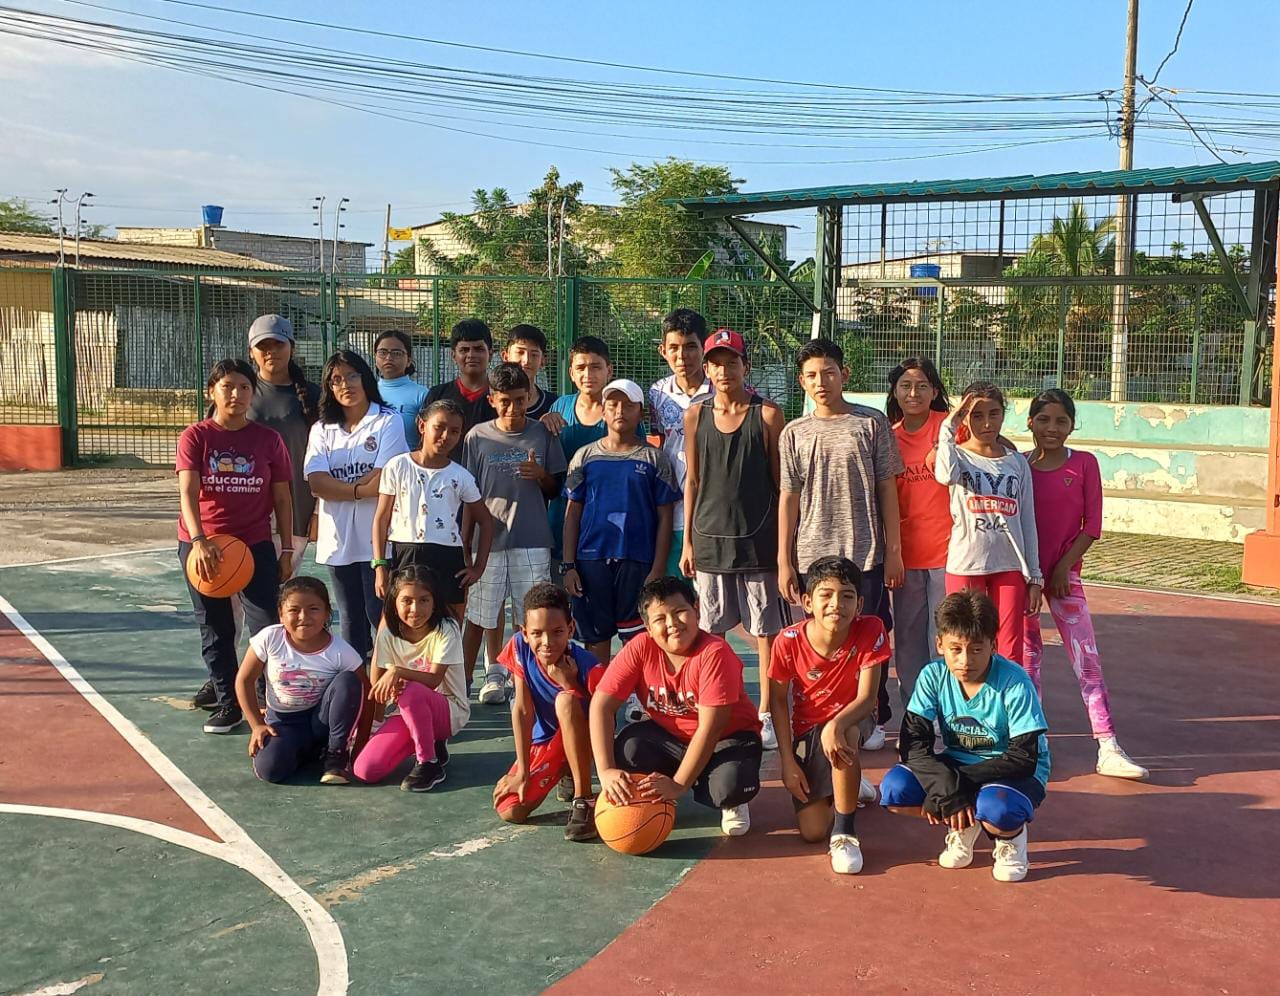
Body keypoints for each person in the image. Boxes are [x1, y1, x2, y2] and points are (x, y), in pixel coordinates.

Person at [778, 338, 904, 750]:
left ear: (844, 374)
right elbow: (789, 497)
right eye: (812, 375)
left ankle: (873, 713)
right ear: (801, 382)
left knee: (870, 635)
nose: (821, 382)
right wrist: (784, 560)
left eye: (829, 373)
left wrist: (893, 552)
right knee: (823, 639)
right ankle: (822, 714)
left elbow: (887, 488)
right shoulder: (794, 433)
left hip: (865, 553)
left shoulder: (871, 423)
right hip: (812, 556)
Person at [880, 591, 1051, 883]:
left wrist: (953, 788)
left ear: (993, 645)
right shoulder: (933, 676)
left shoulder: (1015, 681)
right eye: (955, 649)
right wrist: (946, 788)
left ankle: (1011, 839)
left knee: (997, 808)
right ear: (940, 644)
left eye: (976, 649)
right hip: (959, 761)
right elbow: (913, 745)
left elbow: (1023, 758)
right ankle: (963, 823)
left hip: (1013, 770)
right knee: (895, 790)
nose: (965, 660)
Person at [1024, 388, 1147, 780]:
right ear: (1030, 423)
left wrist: (1063, 567)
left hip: (1065, 578)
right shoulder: (1018, 466)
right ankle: (1033, 743)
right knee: (1027, 661)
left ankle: (1107, 744)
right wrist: (1031, 574)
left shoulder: (1085, 465)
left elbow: (1091, 525)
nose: (1052, 428)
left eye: (1061, 421)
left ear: (1072, 426)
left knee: (1086, 660)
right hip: (1025, 580)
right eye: (1044, 419)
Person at [590, 576, 764, 837]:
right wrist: (605, 771)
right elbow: (601, 707)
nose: (672, 623)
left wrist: (679, 784)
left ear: (696, 610)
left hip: (726, 739)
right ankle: (657, 793)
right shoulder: (640, 648)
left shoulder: (715, 653)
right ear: (648, 627)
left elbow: (710, 728)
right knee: (628, 749)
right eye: (660, 619)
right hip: (673, 738)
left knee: (729, 785)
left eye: (680, 612)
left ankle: (729, 800)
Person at [681, 328, 786, 750]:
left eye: (732, 362)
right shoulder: (695, 416)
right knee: (712, 632)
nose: (724, 370)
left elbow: (780, 484)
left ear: (746, 366)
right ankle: (719, 705)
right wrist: (688, 542)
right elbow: (693, 480)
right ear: (706, 369)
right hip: (709, 540)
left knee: (766, 631)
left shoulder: (768, 416)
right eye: (716, 363)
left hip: (758, 540)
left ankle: (768, 712)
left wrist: (784, 546)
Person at [177, 359, 294, 735]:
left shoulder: (268, 440)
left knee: (266, 624)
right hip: (204, 546)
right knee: (215, 626)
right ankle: (229, 703)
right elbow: (188, 493)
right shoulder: (196, 437)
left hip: (253, 544)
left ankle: (266, 697)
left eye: (244, 387)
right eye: (227, 386)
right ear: (212, 391)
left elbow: (282, 498)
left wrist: (286, 549)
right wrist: (199, 540)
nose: (236, 394)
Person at [768, 556, 889, 875]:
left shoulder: (871, 629)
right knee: (811, 831)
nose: (837, 604)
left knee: (844, 735)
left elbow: (867, 698)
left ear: (859, 604)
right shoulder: (787, 642)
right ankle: (850, 783)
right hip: (808, 728)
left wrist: (836, 723)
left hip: (854, 718)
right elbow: (778, 702)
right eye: (826, 595)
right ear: (807, 602)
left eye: (847, 596)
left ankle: (845, 834)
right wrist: (787, 762)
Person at [462, 362, 568, 702]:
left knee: (532, 617)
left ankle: (531, 682)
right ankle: (470, 684)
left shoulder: (542, 433)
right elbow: (467, 495)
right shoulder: (476, 437)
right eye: (505, 401)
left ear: (529, 396)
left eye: (520, 400)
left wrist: (540, 474)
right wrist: (466, 544)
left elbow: (555, 488)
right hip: (486, 544)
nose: (513, 408)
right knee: (481, 614)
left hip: (532, 540)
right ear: (492, 400)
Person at [562, 379, 681, 662]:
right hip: (591, 561)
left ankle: (636, 691)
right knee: (596, 639)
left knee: (638, 640)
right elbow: (572, 513)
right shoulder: (584, 457)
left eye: (628, 405)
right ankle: (602, 690)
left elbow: (665, 517)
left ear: (641, 413)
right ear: (603, 411)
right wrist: (569, 565)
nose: (620, 411)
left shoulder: (655, 459)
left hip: (638, 561)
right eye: (613, 404)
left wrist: (658, 568)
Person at [304, 350, 409, 662]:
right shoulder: (321, 429)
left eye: (352, 376)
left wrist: (340, 489)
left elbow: (385, 478)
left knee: (381, 612)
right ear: (329, 387)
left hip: (378, 538)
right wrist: (358, 490)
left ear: (365, 378)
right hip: (338, 538)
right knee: (350, 616)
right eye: (336, 380)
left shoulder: (387, 421)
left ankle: (392, 675)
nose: (345, 384)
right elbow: (317, 483)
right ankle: (357, 680)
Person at [934, 382, 1042, 665]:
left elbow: (1027, 520)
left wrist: (1035, 577)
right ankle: (964, 695)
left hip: (1009, 566)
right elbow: (944, 475)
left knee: (1009, 649)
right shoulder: (956, 456)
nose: (986, 423)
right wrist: (949, 425)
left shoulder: (1017, 462)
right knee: (963, 643)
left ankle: (1004, 695)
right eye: (977, 415)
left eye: (994, 414)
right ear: (964, 417)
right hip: (966, 564)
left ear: (1003, 414)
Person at [493, 583, 604, 842]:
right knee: (510, 809)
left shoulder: (589, 665)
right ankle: (565, 770)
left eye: (557, 632)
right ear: (524, 633)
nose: (547, 642)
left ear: (571, 629)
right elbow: (522, 710)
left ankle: (584, 799)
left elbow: (604, 716)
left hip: (585, 739)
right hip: (546, 741)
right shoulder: (519, 647)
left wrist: (569, 684)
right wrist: (523, 771)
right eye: (537, 633)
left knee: (566, 701)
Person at [372, 398, 494, 621]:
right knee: (397, 623)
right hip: (405, 553)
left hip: (447, 556)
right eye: (439, 427)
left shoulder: (461, 476)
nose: (446, 436)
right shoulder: (397, 466)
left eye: (454, 431)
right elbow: (381, 518)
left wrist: (478, 568)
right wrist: (380, 565)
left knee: (450, 624)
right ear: (422, 425)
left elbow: (486, 521)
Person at [236, 576, 364, 785]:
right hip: (283, 723)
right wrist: (257, 725)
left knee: (348, 681)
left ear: (327, 613)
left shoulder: (341, 651)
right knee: (270, 770)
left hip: (321, 721)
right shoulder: (270, 638)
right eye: (294, 610)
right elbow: (244, 680)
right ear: (281, 614)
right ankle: (308, 752)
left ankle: (335, 753)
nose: (304, 617)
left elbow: (365, 695)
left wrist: (361, 744)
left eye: (313, 609)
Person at [354, 566, 469, 791]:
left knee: (412, 690)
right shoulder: (388, 633)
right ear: (394, 603)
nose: (415, 609)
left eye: (424, 600)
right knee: (366, 770)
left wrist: (398, 672)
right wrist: (375, 725)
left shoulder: (447, 628)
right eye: (407, 601)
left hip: (449, 710)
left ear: (434, 602)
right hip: (407, 712)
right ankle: (431, 743)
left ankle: (429, 763)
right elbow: (379, 685)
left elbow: (434, 680)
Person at [886, 357, 952, 709]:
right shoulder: (889, 438)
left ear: (935, 392)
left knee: (945, 637)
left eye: (922, 386)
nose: (913, 393)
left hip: (950, 555)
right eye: (906, 386)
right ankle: (917, 712)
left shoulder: (950, 427)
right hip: (907, 557)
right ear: (895, 392)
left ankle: (948, 710)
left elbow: (994, 445)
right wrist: (892, 553)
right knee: (909, 641)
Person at [245, 313, 319, 568]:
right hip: (247, 512)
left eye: (278, 344)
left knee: (284, 585)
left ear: (292, 348)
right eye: (263, 346)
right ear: (251, 352)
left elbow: (328, 456)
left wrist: (318, 511)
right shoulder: (238, 392)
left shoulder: (313, 396)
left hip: (298, 509)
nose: (271, 352)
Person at [649, 308, 713, 578]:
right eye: (674, 348)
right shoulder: (657, 393)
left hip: (712, 507)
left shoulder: (721, 389)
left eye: (690, 347)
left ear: (704, 349)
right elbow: (656, 440)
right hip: (673, 506)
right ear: (663, 350)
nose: (682, 356)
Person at [423, 319, 497, 461]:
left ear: (491, 354)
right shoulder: (437, 395)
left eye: (478, 349)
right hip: (445, 473)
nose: (471, 355)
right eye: (464, 350)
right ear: (454, 356)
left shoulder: (502, 398)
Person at [372, 329, 428, 449]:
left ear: (409, 360)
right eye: (382, 352)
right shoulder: (365, 392)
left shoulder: (421, 394)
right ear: (375, 357)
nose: (388, 357)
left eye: (396, 353)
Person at [504, 323, 559, 419]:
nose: (526, 360)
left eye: (534, 355)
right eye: (520, 352)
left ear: (543, 360)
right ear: (505, 356)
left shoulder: (555, 405)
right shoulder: (491, 401)